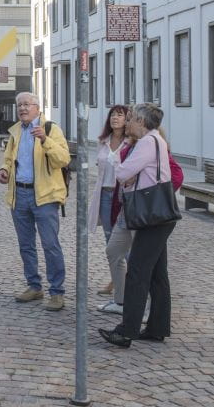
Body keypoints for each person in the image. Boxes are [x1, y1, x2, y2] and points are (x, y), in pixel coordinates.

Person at [99, 103, 177, 348]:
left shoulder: (146, 143)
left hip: (150, 216)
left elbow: (121, 173)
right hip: (158, 215)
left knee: (138, 272)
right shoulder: (155, 141)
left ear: (141, 122)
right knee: (157, 274)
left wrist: (127, 173)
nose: (128, 122)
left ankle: (126, 330)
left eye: (131, 118)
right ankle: (157, 327)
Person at [0, 92, 71, 312]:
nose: (22, 109)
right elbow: (9, 159)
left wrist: (45, 141)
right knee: (26, 245)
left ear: (37, 107)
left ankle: (57, 292)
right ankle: (34, 285)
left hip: (45, 197)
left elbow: (63, 159)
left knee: (50, 244)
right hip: (20, 195)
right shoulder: (16, 131)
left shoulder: (51, 129)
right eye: (19, 105)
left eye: (26, 104)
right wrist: (4, 170)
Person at [87, 105, 130, 298]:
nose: (115, 118)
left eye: (120, 115)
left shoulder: (131, 143)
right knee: (109, 240)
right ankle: (116, 280)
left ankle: (133, 281)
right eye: (112, 114)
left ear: (127, 119)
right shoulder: (103, 141)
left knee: (126, 242)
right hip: (105, 195)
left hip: (122, 197)